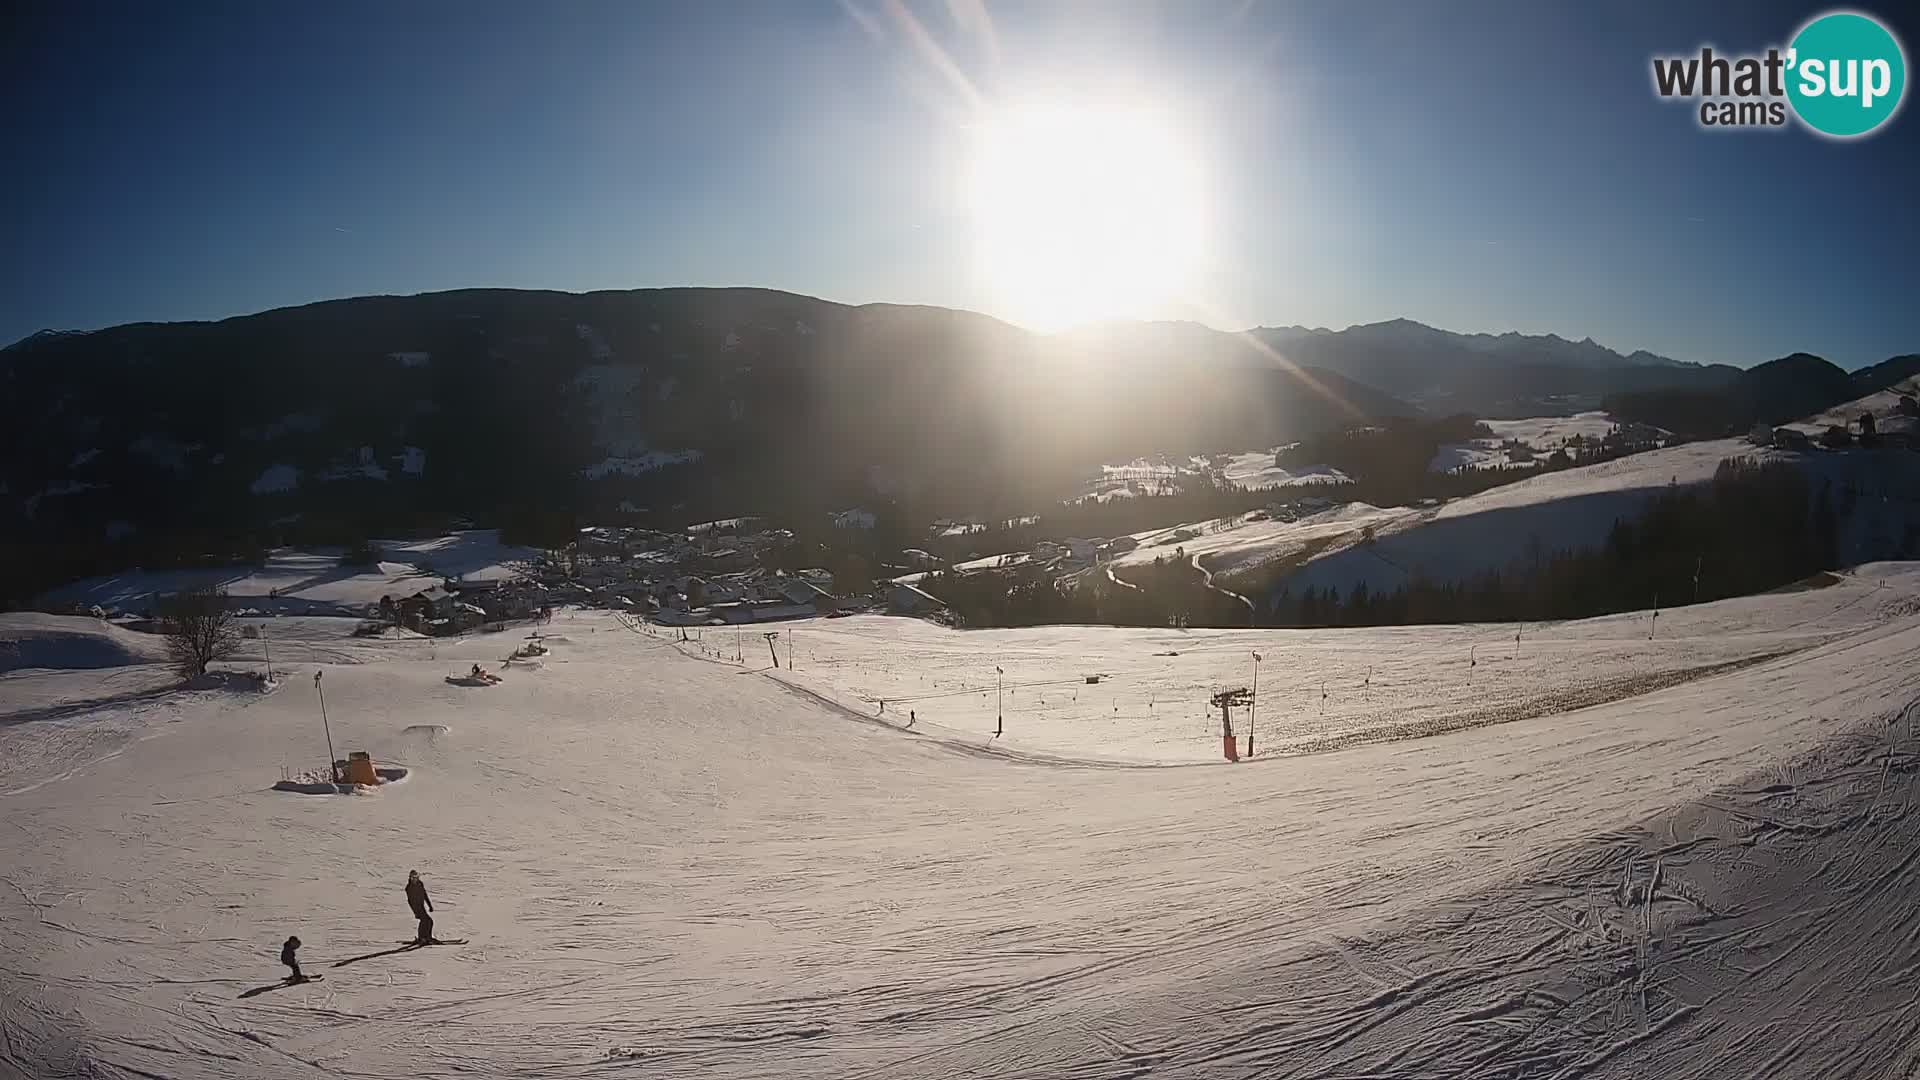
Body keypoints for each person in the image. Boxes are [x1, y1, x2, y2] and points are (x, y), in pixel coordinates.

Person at [406, 870, 435, 944]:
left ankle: (427, 937)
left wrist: (430, 906)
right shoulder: (409, 888)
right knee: (426, 921)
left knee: (428, 921)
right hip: (416, 907)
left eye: (417, 877)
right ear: (411, 878)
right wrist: (415, 911)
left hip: (421, 906)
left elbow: (424, 895)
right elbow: (410, 901)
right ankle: (422, 938)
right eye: (414, 878)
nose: (416, 879)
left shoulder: (420, 884)